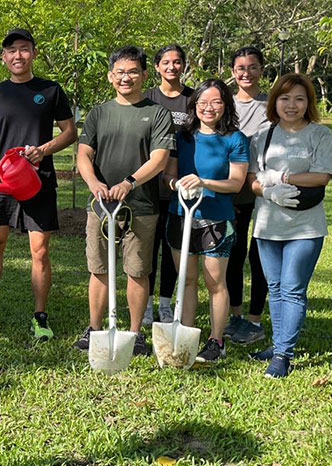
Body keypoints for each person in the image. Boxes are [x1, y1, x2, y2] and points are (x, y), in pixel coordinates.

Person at [0, 28, 76, 340]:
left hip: (38, 181)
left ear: (33, 52)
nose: (18, 55)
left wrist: (44, 150)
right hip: (2, 182)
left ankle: (40, 316)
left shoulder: (51, 90)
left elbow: (70, 132)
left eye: (24, 49)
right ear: (4, 58)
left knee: (40, 250)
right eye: (12, 50)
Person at [75, 45, 174, 355]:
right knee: (99, 268)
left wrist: (129, 183)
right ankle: (94, 329)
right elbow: (83, 154)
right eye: (120, 72)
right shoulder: (99, 113)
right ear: (110, 76)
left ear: (144, 75)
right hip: (101, 206)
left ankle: (134, 333)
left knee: (137, 270)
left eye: (133, 71)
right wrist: (94, 183)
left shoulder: (156, 113)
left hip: (141, 207)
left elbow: (159, 159)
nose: (126, 77)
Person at [248, 73, 332, 379]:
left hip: (305, 228)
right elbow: (252, 180)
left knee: (293, 289)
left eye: (299, 99)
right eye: (285, 98)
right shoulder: (262, 136)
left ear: (308, 103)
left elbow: (322, 176)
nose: (291, 105)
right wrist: (267, 189)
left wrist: (282, 177)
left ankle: (284, 355)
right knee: (274, 288)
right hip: (266, 225)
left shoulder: (319, 135)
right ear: (275, 101)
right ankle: (277, 344)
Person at [162, 78, 248, 366]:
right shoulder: (181, 137)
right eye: (202, 102)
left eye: (215, 102)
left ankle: (216, 340)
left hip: (216, 220)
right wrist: (178, 185)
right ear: (193, 105)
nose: (208, 108)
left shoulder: (235, 139)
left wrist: (203, 182)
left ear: (225, 105)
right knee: (185, 279)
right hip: (181, 215)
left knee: (215, 283)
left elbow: (236, 183)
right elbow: (168, 176)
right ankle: (185, 335)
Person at [145, 44, 194, 327]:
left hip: (179, 187)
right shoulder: (149, 98)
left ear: (184, 65)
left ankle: (166, 303)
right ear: (157, 66)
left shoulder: (193, 99)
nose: (171, 67)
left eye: (177, 62)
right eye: (166, 62)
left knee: (172, 245)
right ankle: (147, 304)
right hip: (150, 186)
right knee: (149, 248)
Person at [225, 46, 272, 345]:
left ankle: (255, 319)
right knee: (234, 251)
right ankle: (235, 315)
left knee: (260, 253)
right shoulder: (223, 103)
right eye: (240, 68)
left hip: (267, 188)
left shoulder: (273, 104)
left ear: (262, 70)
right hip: (235, 190)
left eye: (253, 67)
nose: (246, 73)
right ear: (232, 71)